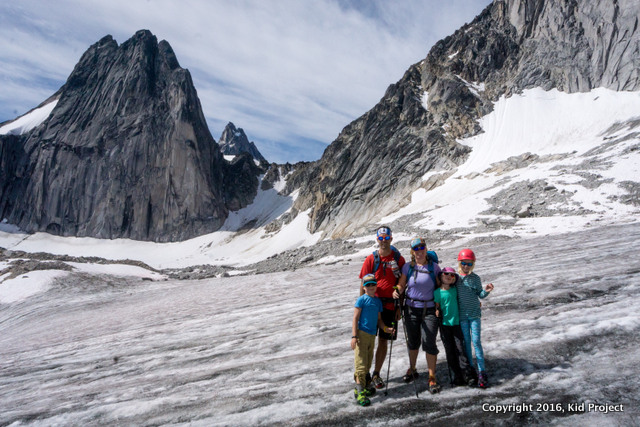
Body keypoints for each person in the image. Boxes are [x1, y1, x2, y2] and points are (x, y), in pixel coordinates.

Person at [392, 237, 442, 394]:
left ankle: (432, 376)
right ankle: (412, 369)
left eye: (422, 248)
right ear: (412, 252)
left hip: (429, 309)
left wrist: (441, 306)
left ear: (426, 249)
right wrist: (398, 290)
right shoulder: (408, 267)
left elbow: (441, 288)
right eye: (416, 249)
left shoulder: (434, 268)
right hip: (411, 309)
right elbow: (402, 283)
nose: (419, 251)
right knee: (413, 341)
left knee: (429, 342)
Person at [358, 226, 405, 389]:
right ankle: (364, 373)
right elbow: (363, 283)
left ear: (391, 239)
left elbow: (402, 282)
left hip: (391, 306)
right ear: (377, 239)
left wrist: (400, 307)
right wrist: (361, 304)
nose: (384, 241)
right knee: (368, 341)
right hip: (372, 306)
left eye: (386, 238)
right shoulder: (371, 259)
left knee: (383, 340)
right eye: (381, 238)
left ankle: (376, 373)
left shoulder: (398, 258)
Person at [351, 274, 395, 406]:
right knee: (361, 363)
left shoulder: (377, 302)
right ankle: (360, 392)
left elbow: (379, 320)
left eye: (373, 285)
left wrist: (386, 329)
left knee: (368, 361)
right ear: (364, 288)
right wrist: (354, 336)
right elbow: (355, 318)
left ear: (376, 286)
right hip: (362, 334)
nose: (370, 287)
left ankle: (363, 387)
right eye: (367, 285)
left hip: (371, 335)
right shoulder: (361, 300)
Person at [457, 248, 494, 388]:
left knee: (476, 341)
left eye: (469, 263)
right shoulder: (456, 278)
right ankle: (471, 369)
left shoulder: (475, 278)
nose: (466, 266)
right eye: (464, 263)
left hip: (474, 315)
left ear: (473, 264)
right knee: (466, 342)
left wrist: (486, 291)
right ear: (460, 263)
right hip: (462, 316)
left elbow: (480, 294)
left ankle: (482, 371)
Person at [434, 266, 477, 387]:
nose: (449, 276)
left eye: (452, 275)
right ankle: (456, 375)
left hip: (456, 324)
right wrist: (437, 310)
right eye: (446, 274)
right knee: (450, 350)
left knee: (460, 349)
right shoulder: (437, 292)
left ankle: (467, 374)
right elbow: (437, 305)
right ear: (441, 276)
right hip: (444, 325)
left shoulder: (454, 290)